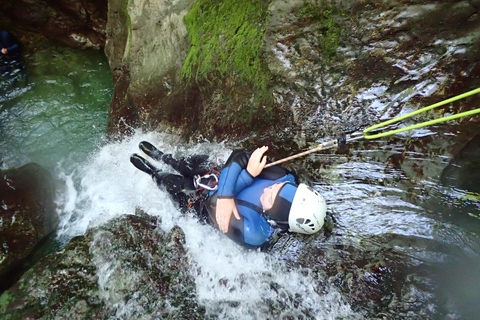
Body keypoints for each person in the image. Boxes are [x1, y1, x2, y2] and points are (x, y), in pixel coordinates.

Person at [130, 141, 327, 249]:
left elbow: (214, 204)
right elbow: (240, 154)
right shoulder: (283, 177)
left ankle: (153, 171)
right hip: (219, 177)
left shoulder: (256, 233)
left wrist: (247, 175)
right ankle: (165, 157)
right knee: (188, 165)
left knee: (173, 183)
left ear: (275, 219)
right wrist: (228, 194)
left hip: (203, 205)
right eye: (278, 188)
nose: (269, 189)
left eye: (270, 198)